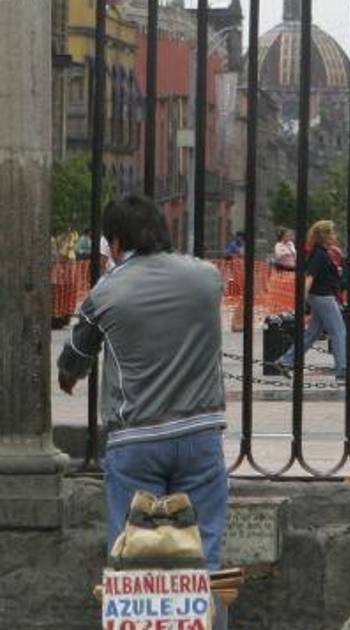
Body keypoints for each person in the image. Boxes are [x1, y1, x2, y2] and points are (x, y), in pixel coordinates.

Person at [56, 195, 229, 573]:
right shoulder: (207, 277)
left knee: (132, 557)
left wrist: (68, 376)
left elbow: (75, 357)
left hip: (135, 439)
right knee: (204, 556)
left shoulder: (105, 292)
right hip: (201, 433)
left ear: (116, 242)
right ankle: (205, 608)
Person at [273, 220, 347, 383]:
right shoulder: (319, 254)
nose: (335, 236)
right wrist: (302, 299)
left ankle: (286, 361)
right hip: (323, 297)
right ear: (324, 235)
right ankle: (343, 369)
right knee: (339, 331)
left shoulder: (320, 253)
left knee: (312, 333)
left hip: (320, 297)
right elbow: (309, 277)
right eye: (332, 233)